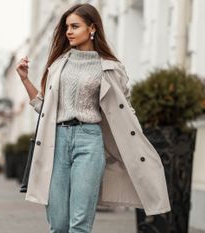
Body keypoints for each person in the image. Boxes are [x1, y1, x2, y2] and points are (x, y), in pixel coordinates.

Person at [16, 3, 171, 233]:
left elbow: (124, 109)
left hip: (89, 141)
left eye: (75, 26)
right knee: (58, 224)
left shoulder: (110, 68)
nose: (68, 31)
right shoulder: (58, 65)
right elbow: (45, 109)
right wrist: (25, 80)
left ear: (92, 28)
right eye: (67, 26)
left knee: (79, 224)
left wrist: (135, 137)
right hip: (56, 142)